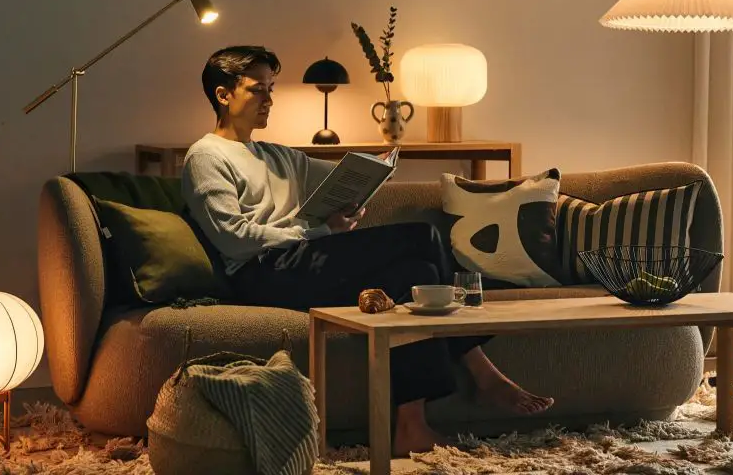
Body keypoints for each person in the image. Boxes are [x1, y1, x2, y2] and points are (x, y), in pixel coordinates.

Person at [181, 45, 553, 456]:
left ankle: (411, 425)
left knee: (407, 275)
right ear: (223, 94)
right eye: (258, 90)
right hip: (261, 275)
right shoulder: (206, 156)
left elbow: (345, 175)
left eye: (272, 89)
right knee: (421, 238)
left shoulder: (273, 154)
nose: (270, 100)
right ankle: (479, 368)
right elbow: (233, 236)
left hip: (301, 265)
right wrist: (317, 229)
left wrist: (372, 170)